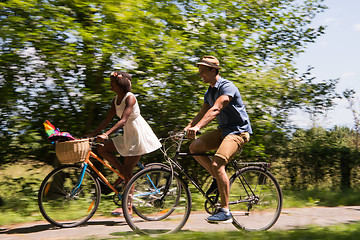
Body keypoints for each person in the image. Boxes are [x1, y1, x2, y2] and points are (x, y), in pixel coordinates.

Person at [184, 56, 252, 224]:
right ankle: (218, 178)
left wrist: (198, 127)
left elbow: (216, 109)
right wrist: (187, 128)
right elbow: (202, 113)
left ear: (213, 70)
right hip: (224, 131)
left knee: (218, 164)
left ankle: (225, 211)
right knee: (195, 147)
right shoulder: (209, 92)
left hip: (238, 131)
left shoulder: (227, 86)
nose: (200, 75)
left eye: (203, 71)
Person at [85, 71, 161, 215]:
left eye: (112, 83)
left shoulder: (130, 98)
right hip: (128, 135)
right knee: (101, 147)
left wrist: (107, 134)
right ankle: (124, 174)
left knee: (127, 171)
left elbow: (123, 120)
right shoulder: (115, 100)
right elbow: (107, 119)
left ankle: (128, 207)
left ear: (120, 85)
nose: (110, 86)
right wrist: (92, 134)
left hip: (138, 135)